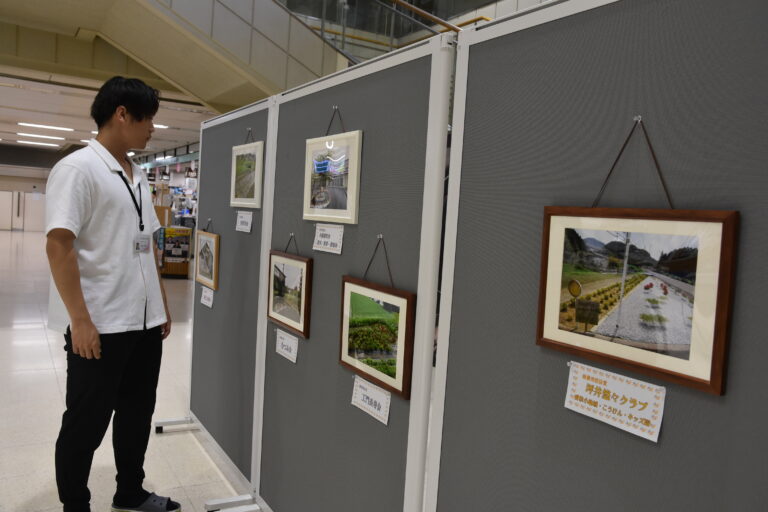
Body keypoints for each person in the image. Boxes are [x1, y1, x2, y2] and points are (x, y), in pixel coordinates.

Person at [46, 76, 180, 512]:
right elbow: (59, 245)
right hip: (101, 325)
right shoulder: (78, 169)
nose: (152, 130)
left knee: (137, 415)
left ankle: (130, 492)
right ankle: (75, 506)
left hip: (143, 324)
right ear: (122, 114)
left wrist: (159, 303)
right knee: (85, 422)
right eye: (148, 120)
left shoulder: (137, 174)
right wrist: (80, 321)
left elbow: (147, 246)